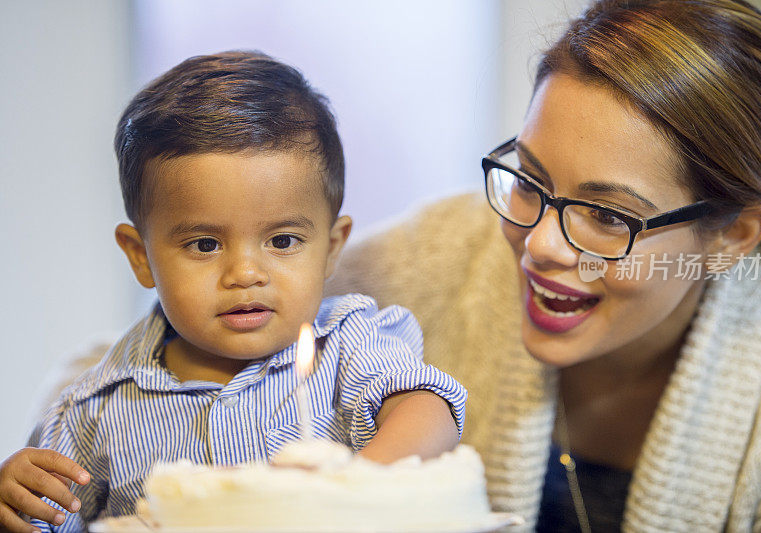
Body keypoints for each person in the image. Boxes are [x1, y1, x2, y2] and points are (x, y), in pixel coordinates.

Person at [323, 0, 761, 531]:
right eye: (529, 181)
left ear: (733, 237)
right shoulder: (430, 261)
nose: (541, 245)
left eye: (606, 214)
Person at [0, 51, 466, 533]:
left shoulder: (348, 347)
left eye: (282, 241)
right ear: (141, 256)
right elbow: (45, 519)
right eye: (205, 244)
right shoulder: (91, 412)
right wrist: (13, 506)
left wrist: (354, 488)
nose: (245, 273)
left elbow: (431, 411)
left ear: (331, 249)